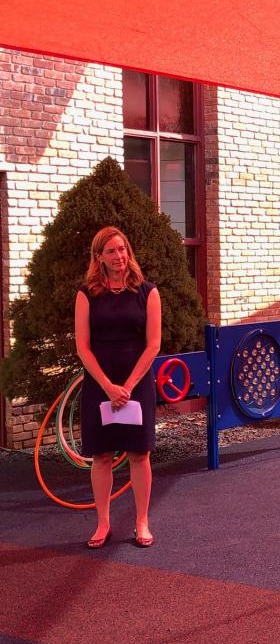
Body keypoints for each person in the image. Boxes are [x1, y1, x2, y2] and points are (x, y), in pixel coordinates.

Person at [75, 227, 161, 548]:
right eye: (110, 251)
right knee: (101, 456)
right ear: (99, 257)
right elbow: (83, 348)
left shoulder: (148, 292)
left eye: (122, 249)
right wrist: (109, 386)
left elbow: (153, 345)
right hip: (100, 385)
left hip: (136, 384)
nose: (119, 256)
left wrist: (126, 386)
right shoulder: (87, 294)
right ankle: (103, 524)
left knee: (139, 454)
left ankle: (142, 522)